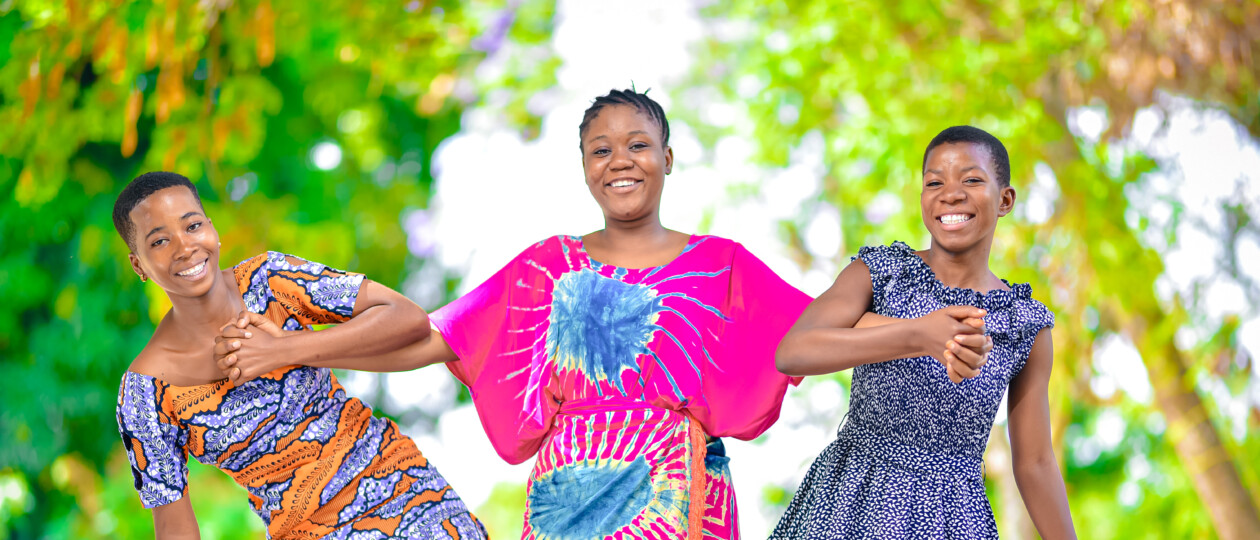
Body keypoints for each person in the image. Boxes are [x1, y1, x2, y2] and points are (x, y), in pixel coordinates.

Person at [426, 88, 810, 539]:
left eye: (638, 145)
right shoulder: (549, 265)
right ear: (586, 168)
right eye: (601, 150)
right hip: (568, 499)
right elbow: (443, 336)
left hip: (678, 492)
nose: (620, 160)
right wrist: (325, 338)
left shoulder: (720, 264)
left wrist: (912, 324)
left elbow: (818, 327)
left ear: (666, 158)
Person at [113, 172, 486, 539]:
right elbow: (173, 525)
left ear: (212, 229)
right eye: (159, 241)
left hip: (406, 493)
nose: (184, 247)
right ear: (138, 265)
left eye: (192, 226)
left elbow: (407, 318)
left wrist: (279, 350)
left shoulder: (270, 280)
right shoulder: (144, 393)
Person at [771, 126, 1077, 539]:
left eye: (971, 179)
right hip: (849, 504)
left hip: (953, 519)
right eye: (935, 182)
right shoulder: (880, 272)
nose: (950, 193)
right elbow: (793, 351)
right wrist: (918, 336)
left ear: (1005, 200)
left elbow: (1035, 462)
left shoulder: (1023, 324)